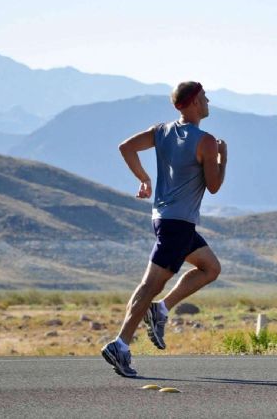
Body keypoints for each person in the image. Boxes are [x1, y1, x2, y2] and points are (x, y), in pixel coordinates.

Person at [101, 81, 227, 377]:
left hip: (165, 219)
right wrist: (223, 157)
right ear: (195, 102)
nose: (208, 102)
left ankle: (161, 309)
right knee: (149, 285)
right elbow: (214, 186)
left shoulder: (162, 131)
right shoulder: (207, 141)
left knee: (210, 268)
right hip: (178, 225)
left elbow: (126, 147)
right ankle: (120, 344)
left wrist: (144, 179)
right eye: (205, 98)